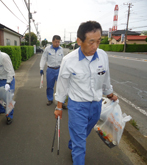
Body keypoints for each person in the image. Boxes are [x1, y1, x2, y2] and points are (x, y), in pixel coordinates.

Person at [54, 21, 118, 164]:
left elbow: (106, 78)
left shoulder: (102, 56)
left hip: (96, 105)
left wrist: (110, 94)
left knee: (83, 134)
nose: (95, 46)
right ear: (79, 41)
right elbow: (62, 85)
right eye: (91, 42)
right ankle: (76, 149)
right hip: (77, 106)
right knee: (80, 144)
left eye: (98, 41)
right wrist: (59, 107)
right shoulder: (69, 60)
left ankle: (73, 142)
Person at [39, 35, 67, 108]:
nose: (57, 43)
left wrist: (65, 69)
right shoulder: (47, 49)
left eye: (58, 42)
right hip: (50, 70)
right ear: (52, 41)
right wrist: (41, 68)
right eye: (56, 42)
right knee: (49, 86)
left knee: (61, 86)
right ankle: (50, 99)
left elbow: (63, 60)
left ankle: (61, 101)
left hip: (59, 70)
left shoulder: (61, 49)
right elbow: (43, 58)